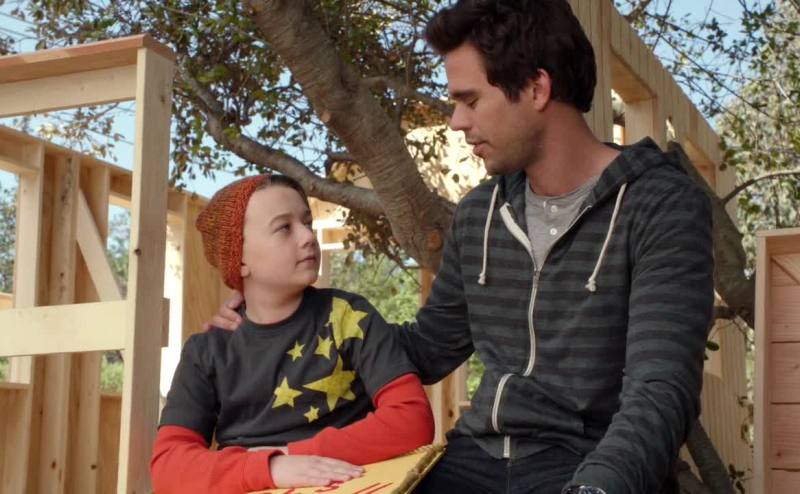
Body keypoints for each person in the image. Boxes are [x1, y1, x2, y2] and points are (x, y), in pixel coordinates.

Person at [208, 1, 714, 493]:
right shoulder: (481, 214)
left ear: (536, 88)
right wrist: (283, 322)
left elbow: (660, 388)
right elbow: (424, 348)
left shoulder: (659, 204)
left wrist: (597, 487)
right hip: (472, 460)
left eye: (470, 101)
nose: (455, 121)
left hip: (587, 464)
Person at [151, 174, 434, 493]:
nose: (307, 236)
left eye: (307, 222)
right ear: (239, 259)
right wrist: (270, 468)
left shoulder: (347, 315)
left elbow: (412, 419)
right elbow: (168, 465)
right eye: (284, 228)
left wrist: (294, 455)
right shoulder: (207, 350)